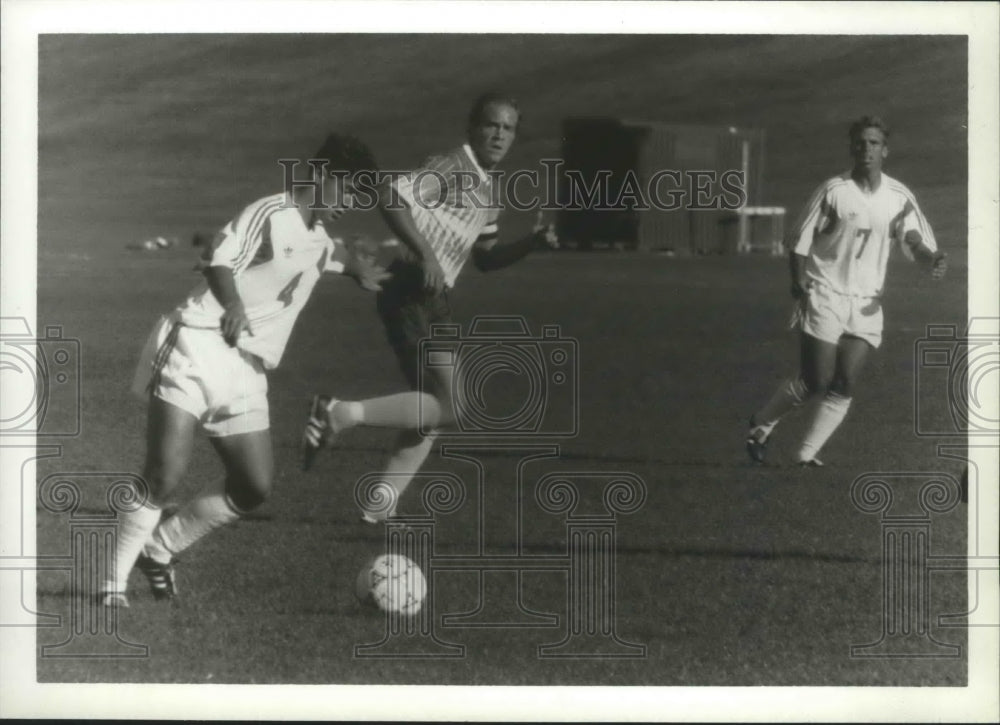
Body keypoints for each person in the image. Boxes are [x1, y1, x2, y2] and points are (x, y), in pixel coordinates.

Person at [100, 134, 388, 606]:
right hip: (197, 343)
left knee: (253, 485)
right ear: (320, 176)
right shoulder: (270, 213)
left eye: (360, 195)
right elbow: (218, 256)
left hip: (246, 368)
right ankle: (110, 586)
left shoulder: (316, 237)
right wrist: (232, 304)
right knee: (164, 474)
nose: (351, 203)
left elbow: (329, 255)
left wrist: (359, 270)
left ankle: (161, 549)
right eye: (349, 189)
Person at [302, 92, 555, 521]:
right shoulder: (452, 166)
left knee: (439, 407)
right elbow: (391, 198)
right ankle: (338, 412)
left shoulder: (490, 189)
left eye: (508, 128)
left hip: (435, 300)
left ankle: (379, 503)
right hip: (409, 290)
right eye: (491, 124)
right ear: (472, 128)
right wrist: (427, 254)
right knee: (451, 404)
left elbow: (487, 258)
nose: (498, 134)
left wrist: (533, 242)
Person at [746, 115, 948, 466]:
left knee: (845, 381)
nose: (866, 149)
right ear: (851, 148)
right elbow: (799, 241)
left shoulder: (899, 196)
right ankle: (762, 423)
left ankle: (806, 455)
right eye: (860, 142)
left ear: (886, 150)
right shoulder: (833, 191)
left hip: (868, 301)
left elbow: (913, 237)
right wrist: (797, 280)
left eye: (873, 143)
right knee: (816, 379)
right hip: (825, 291)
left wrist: (930, 258)